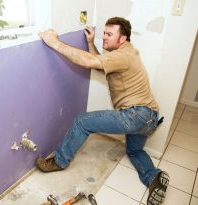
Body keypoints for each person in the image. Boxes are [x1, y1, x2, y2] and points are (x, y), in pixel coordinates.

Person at [36, 17, 170, 205]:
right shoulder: (125, 53)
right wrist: (91, 43)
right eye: (104, 33)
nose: (104, 37)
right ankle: (154, 178)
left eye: (109, 34)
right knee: (134, 151)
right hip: (149, 119)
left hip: (136, 115)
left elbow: (90, 62)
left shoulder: (123, 55)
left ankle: (59, 161)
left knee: (82, 121)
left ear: (122, 39)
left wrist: (53, 42)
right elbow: (100, 65)